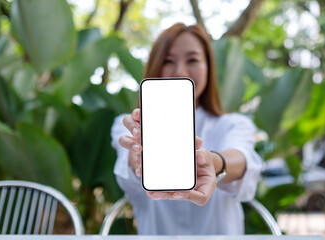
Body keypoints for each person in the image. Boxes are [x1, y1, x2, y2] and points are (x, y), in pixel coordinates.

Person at [111, 23, 263, 235]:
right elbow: (127, 162)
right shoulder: (127, 124)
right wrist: (138, 155)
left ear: (208, 67)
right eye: (168, 61)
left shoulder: (234, 124)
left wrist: (213, 162)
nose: (180, 71)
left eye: (192, 60)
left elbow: (243, 158)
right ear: (155, 66)